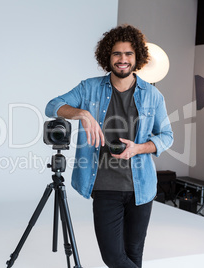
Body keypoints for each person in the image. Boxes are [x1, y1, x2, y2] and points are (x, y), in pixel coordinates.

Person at [45, 24, 173, 268]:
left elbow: (167, 136)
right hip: (104, 185)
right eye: (117, 53)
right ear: (108, 56)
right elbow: (52, 105)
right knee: (113, 257)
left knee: (134, 255)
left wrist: (139, 148)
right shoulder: (89, 88)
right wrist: (81, 113)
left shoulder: (152, 96)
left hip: (141, 188)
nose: (122, 59)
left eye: (128, 54)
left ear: (138, 58)